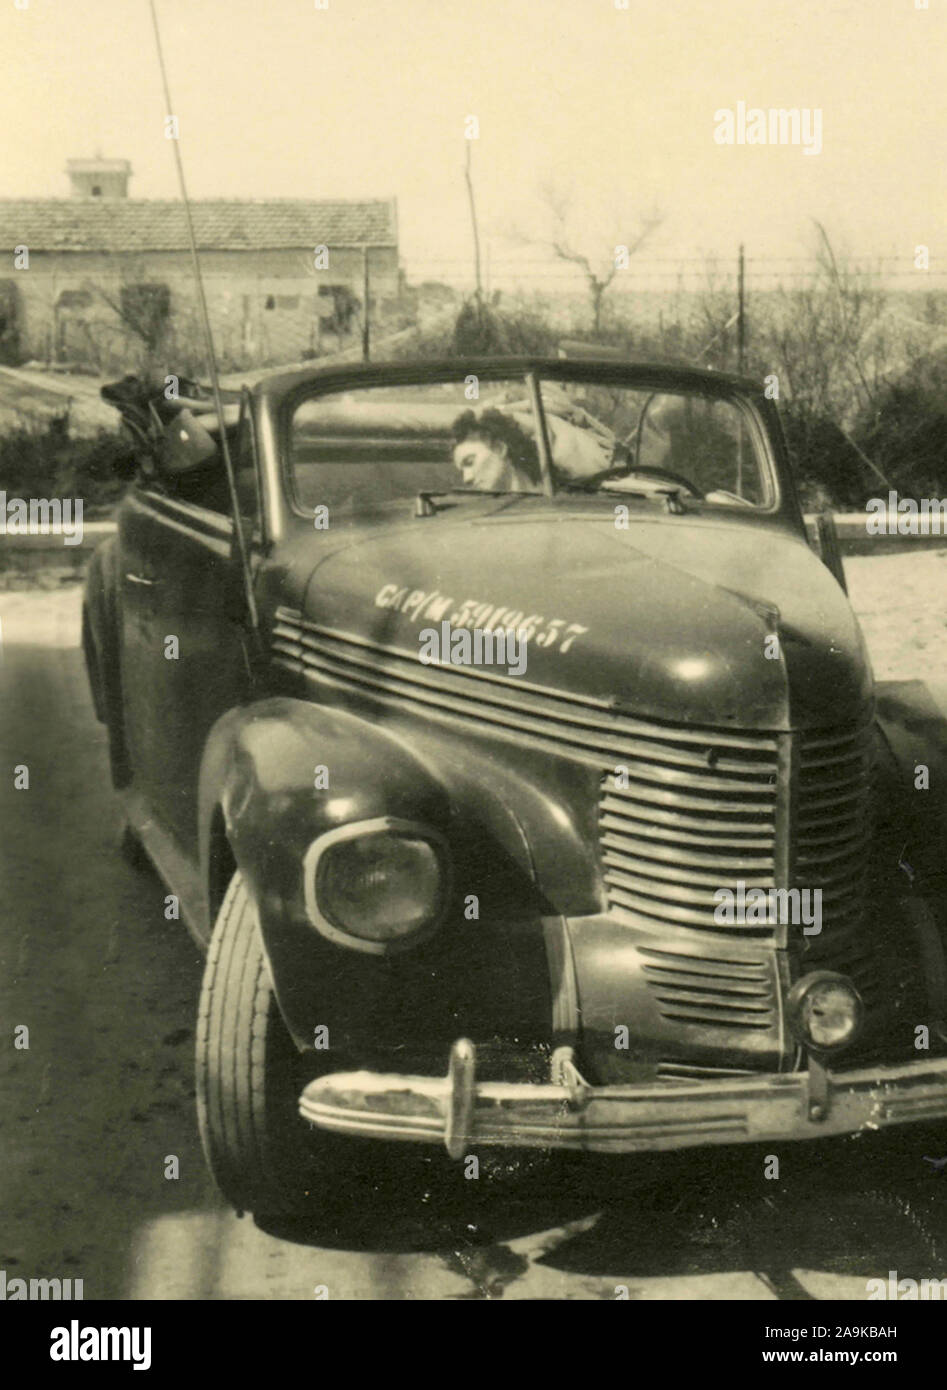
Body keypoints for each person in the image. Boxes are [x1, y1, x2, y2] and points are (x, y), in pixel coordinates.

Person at [450, 402, 614, 492]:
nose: (466, 478)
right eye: (462, 471)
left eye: (469, 462)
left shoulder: (570, 496)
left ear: (500, 448)